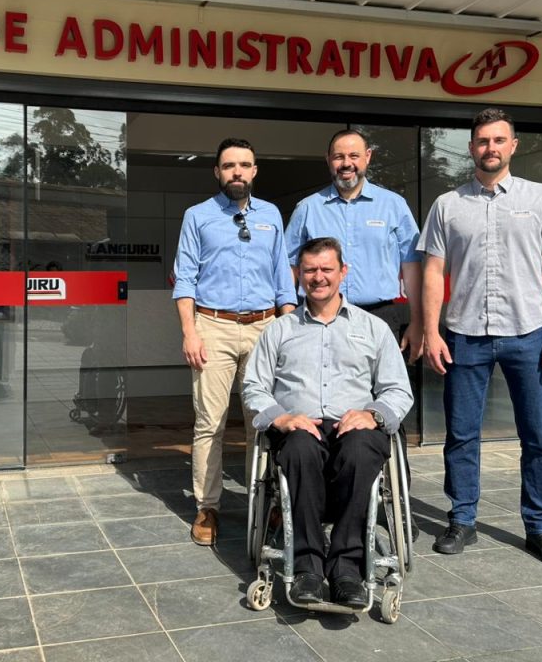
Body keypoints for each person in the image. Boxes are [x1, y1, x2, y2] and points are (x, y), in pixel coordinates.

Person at [420, 108, 542, 569]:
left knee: (539, 437)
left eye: (498, 140)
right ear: (472, 148)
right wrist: (430, 331)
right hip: (465, 335)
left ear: (513, 145)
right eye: (482, 141)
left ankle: (541, 528)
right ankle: (462, 520)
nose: (490, 148)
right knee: (461, 436)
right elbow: (432, 273)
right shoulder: (447, 205)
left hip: (528, 334)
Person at [243, 237, 412, 607]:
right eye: (309, 270)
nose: (318, 277)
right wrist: (281, 417)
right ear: (299, 275)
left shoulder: (373, 328)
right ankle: (306, 567)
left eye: (326, 269)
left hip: (357, 428)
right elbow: (254, 386)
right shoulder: (280, 330)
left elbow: (398, 390)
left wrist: (373, 415)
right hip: (299, 429)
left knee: (361, 451)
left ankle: (346, 570)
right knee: (299, 450)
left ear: (343, 272)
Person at [284, 128, 422, 536]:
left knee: (385, 412)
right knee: (322, 403)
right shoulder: (308, 208)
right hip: (320, 316)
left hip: (381, 317)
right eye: (339, 157)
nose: (347, 164)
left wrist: (417, 320)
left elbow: (411, 265)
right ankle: (326, 500)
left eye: (354, 156)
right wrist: (289, 317)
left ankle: (396, 509)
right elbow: (290, 266)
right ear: (329, 161)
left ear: (368, 158)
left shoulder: (393, 205)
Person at [173, 138, 297, 546]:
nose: (237, 172)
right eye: (229, 166)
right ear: (217, 172)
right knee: (210, 422)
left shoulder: (271, 215)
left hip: (264, 328)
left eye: (244, 165)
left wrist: (288, 329)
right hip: (213, 326)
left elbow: (282, 277)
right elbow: (185, 278)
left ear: (254, 171)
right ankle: (207, 506)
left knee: (263, 420)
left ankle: (264, 501)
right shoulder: (198, 216)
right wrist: (190, 331)